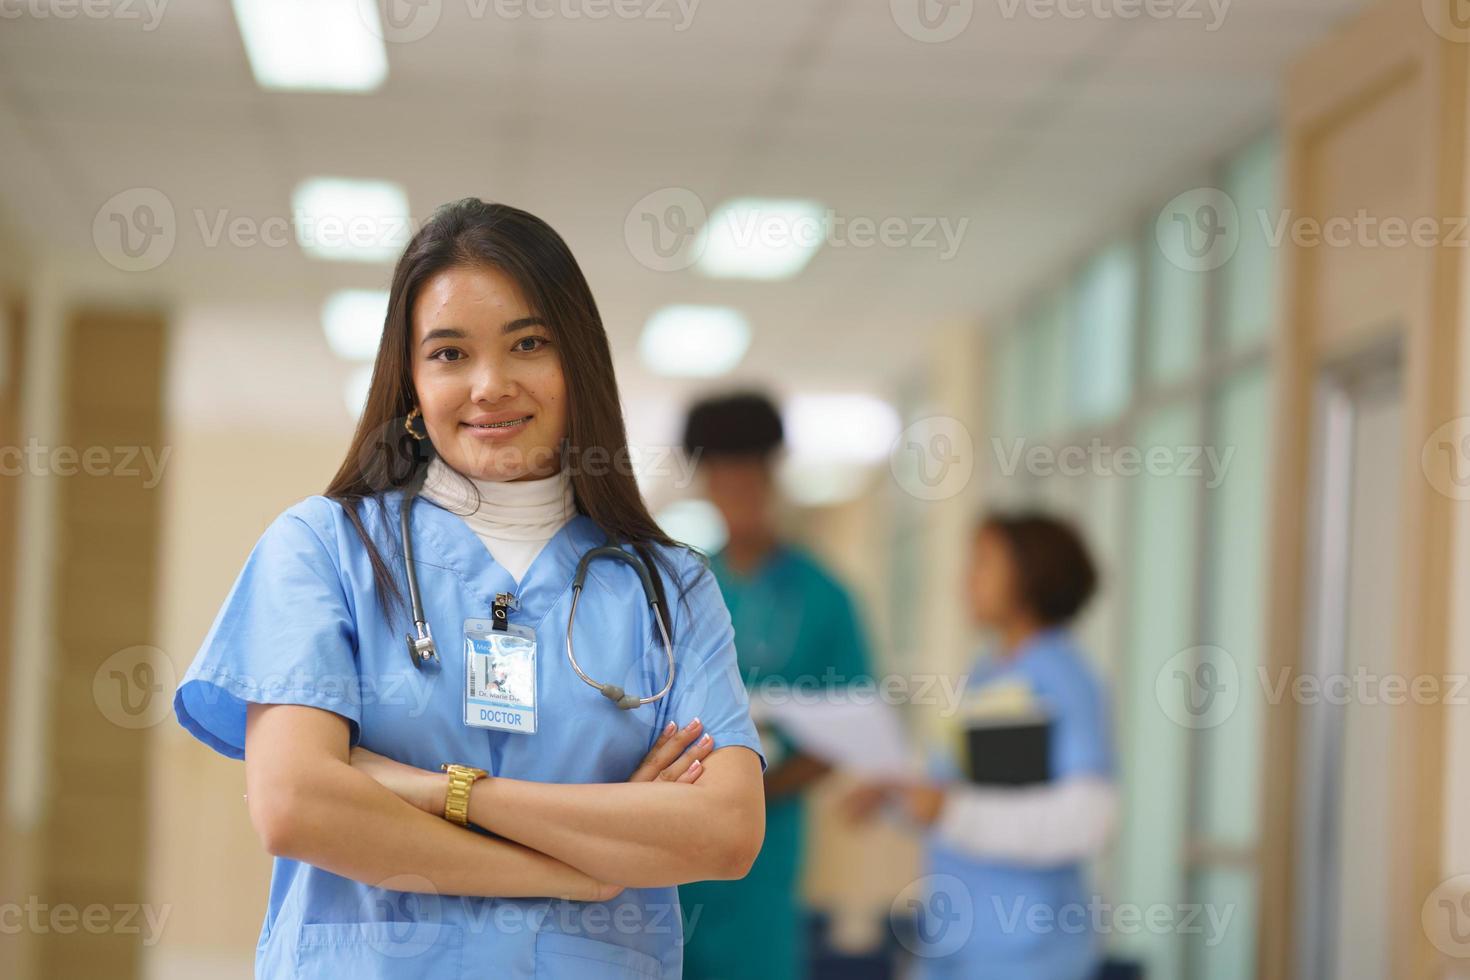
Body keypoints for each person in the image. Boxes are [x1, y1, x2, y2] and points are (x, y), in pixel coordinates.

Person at [172, 199, 767, 979]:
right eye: (450, 354)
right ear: (411, 383)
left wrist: (436, 791)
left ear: (576, 362)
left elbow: (722, 832)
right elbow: (295, 806)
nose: (490, 385)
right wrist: (577, 866)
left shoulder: (668, 588)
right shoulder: (322, 550)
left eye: (528, 343)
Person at [846, 511, 1117, 980]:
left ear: (1030, 575)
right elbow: (965, 792)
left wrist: (950, 811)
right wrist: (898, 798)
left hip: (1029, 954)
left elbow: (1088, 818)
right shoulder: (987, 673)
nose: (964, 580)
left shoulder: (1063, 677)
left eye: (983, 564)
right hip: (957, 944)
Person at [677, 392, 874, 980]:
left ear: (773, 478)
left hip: (769, 843)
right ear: (705, 484)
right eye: (722, 477)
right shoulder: (681, 586)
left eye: (750, 477)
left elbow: (856, 721)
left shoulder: (825, 597)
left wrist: (755, 793)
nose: (737, 492)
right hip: (673, 834)